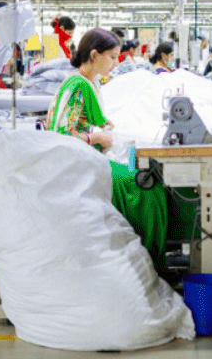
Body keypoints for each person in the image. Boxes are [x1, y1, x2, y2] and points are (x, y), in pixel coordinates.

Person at [44, 28, 171, 270]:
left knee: (145, 176)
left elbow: (82, 121)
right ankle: (144, 261)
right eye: (112, 57)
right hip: (80, 165)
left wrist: (102, 128)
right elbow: (59, 135)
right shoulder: (78, 83)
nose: (116, 63)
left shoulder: (89, 82)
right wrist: (97, 137)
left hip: (88, 159)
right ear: (94, 55)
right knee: (146, 187)